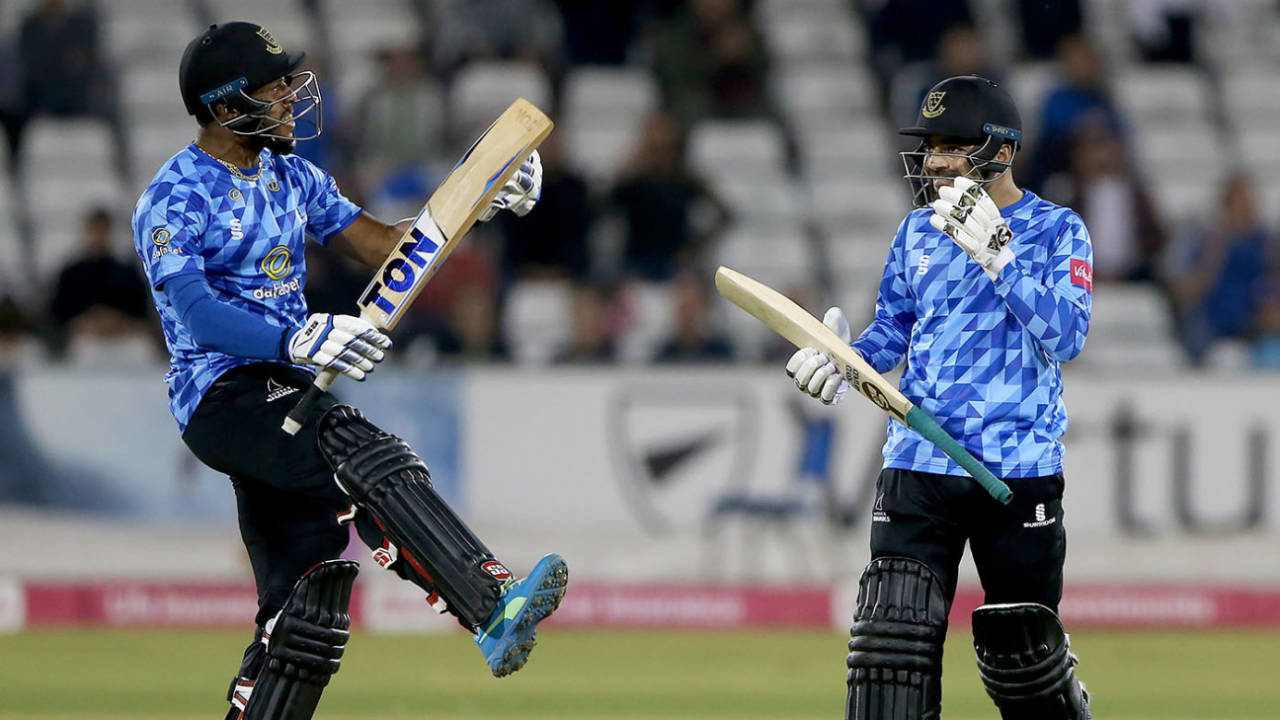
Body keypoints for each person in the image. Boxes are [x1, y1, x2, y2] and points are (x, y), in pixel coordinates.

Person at [131, 23, 566, 720]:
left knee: (308, 604)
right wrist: (295, 337)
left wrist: (479, 200)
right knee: (358, 452)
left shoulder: (291, 174)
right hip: (220, 395)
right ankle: (489, 605)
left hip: (286, 383)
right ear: (222, 104)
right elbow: (194, 311)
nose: (289, 98)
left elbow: (387, 248)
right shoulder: (174, 195)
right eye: (273, 87)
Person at [785, 76, 1093, 719]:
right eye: (930, 147)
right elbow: (893, 328)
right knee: (889, 651)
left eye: (953, 145)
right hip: (919, 463)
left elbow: (1066, 337)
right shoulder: (917, 231)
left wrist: (1001, 258)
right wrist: (843, 360)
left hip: (1017, 470)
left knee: (1025, 659)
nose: (935, 161)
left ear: (1001, 151)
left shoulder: (1057, 229)